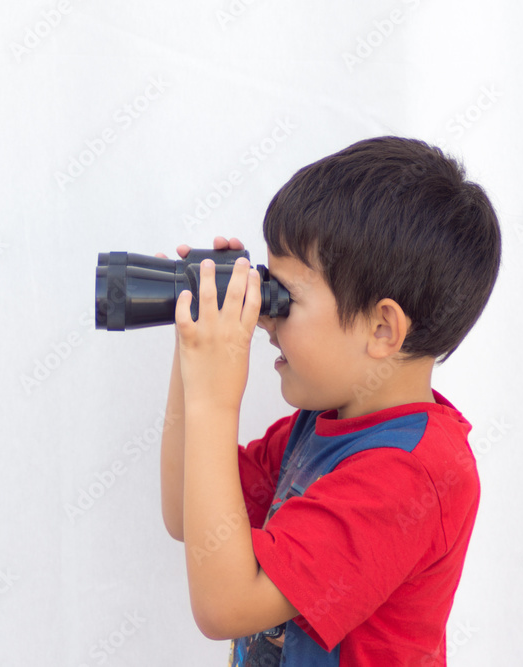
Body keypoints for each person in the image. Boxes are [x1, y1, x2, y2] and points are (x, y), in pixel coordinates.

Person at [158, 136, 502, 666]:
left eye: (284, 297)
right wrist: (193, 347)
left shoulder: (410, 473)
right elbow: (188, 515)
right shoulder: (323, 424)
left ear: (382, 327)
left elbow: (225, 606)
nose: (265, 318)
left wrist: (214, 399)